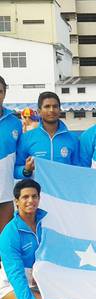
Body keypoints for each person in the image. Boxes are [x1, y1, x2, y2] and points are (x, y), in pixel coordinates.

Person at [0, 179, 45, 299]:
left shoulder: (45, 223)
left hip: (39, 283)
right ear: (16, 201)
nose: (31, 201)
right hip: (11, 286)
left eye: (34, 196)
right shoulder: (9, 233)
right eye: (25, 197)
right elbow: (16, 277)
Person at [14, 92, 79, 179]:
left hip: (64, 191)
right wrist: (26, 170)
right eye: (47, 106)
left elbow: (79, 169)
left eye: (55, 106)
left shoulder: (73, 139)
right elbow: (15, 170)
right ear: (39, 111)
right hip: (37, 191)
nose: (51, 110)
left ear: (60, 110)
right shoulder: (26, 138)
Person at [0, 76, 22, 235]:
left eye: (0, 91)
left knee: (4, 238)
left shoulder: (15, 123)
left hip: (6, 193)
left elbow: (20, 161)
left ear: (5, 93)